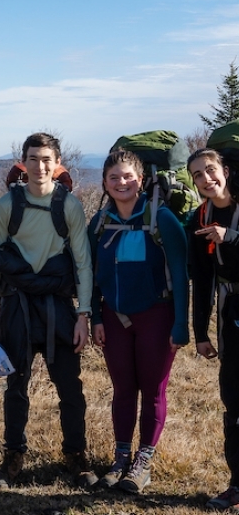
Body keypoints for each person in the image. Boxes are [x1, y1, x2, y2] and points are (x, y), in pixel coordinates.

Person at [0, 132, 96, 488]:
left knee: (70, 387)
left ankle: (76, 456)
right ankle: (13, 456)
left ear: (57, 163)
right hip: (16, 305)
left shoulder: (69, 206)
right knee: (15, 386)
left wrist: (84, 315)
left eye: (46, 159)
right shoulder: (7, 205)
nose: (40, 166)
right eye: (33, 159)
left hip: (58, 306)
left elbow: (83, 263)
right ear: (24, 162)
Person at [89, 148, 189, 494]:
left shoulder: (162, 219)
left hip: (157, 316)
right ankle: (120, 459)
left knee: (153, 389)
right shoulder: (99, 223)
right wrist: (95, 317)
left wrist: (181, 325)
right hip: (114, 318)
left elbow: (180, 274)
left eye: (128, 176)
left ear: (141, 180)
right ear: (105, 183)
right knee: (123, 389)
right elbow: (89, 275)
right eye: (114, 177)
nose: (122, 183)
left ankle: (142, 462)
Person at [187, 148, 239, 510]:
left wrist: (231, 236)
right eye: (197, 175)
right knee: (233, 399)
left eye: (210, 170)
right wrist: (201, 332)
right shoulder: (201, 217)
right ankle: (237, 485)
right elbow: (202, 278)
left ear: (226, 170)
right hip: (230, 310)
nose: (206, 179)